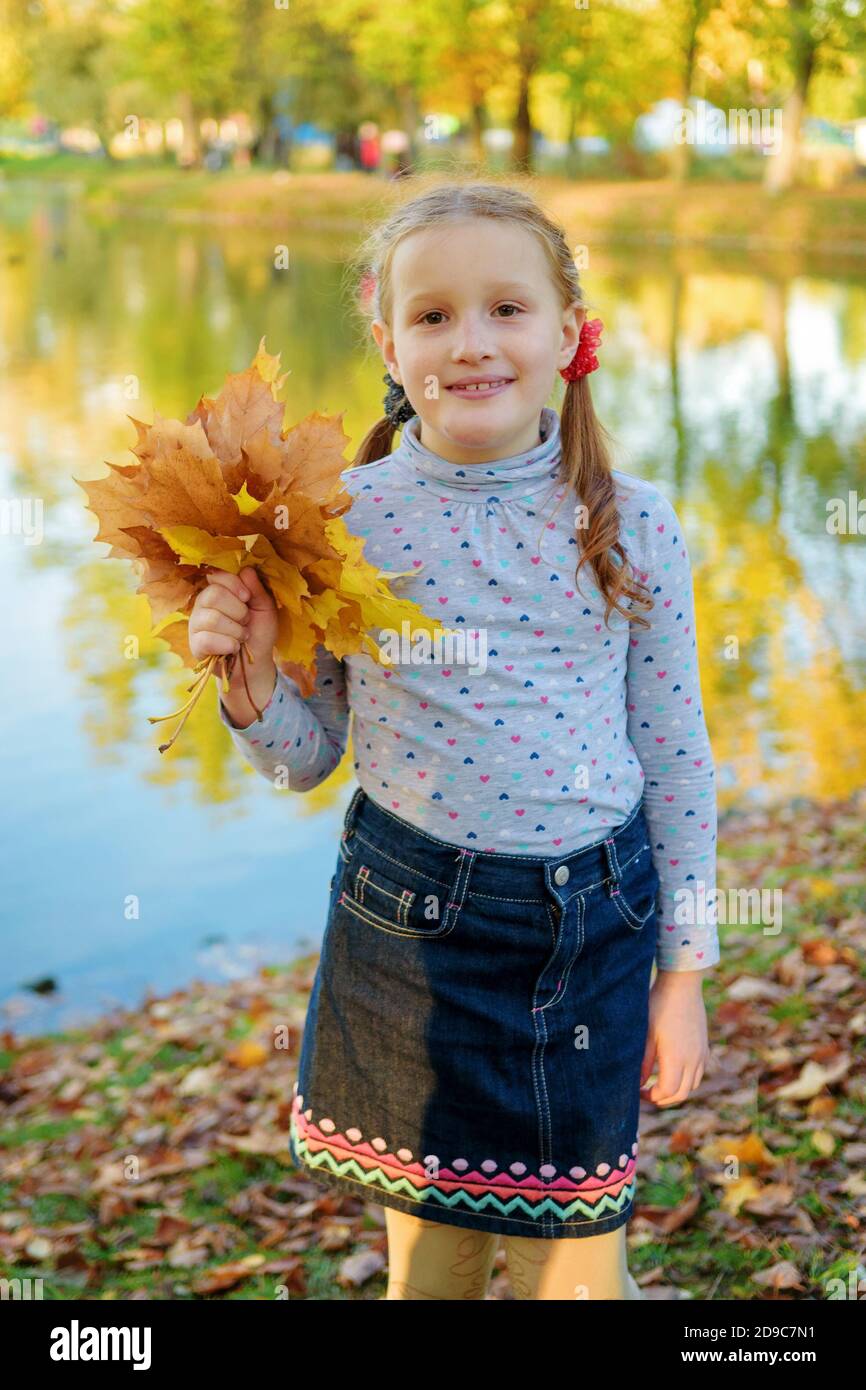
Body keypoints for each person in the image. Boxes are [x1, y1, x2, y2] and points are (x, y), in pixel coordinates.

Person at [188, 180, 719, 1301]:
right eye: (432, 316)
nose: (469, 343)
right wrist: (244, 684)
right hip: (409, 931)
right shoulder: (336, 524)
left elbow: (673, 757)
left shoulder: (632, 523)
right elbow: (304, 756)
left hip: (593, 928)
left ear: (569, 333)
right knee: (431, 1270)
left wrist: (683, 974)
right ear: (389, 342)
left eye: (506, 310)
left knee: (576, 1278)